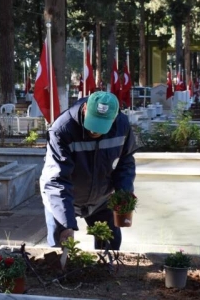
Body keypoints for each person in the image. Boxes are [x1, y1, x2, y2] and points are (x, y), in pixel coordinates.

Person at [40, 91, 137, 250]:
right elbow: (57, 180)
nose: (94, 131)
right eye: (92, 123)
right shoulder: (62, 129)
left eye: (101, 126)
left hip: (101, 198)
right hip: (63, 197)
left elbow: (125, 164)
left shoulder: (122, 126)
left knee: (110, 246)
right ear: (85, 108)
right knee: (60, 250)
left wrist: (123, 197)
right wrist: (66, 224)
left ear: (114, 118)